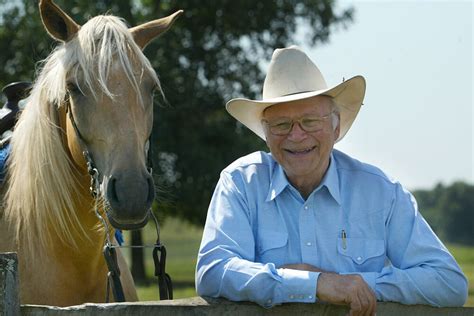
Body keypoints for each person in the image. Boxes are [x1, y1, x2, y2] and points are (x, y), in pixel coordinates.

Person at [195, 46, 468, 314]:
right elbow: (213, 271)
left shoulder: (380, 191)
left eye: (310, 121)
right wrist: (317, 284)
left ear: (335, 127)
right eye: (281, 124)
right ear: (265, 133)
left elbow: (448, 282)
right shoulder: (241, 182)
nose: (297, 136)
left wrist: (357, 285)